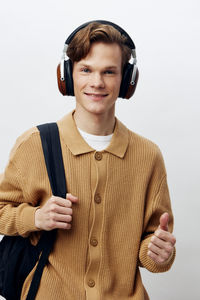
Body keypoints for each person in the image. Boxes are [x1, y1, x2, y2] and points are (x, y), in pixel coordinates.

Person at [0, 20, 176, 300]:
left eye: (109, 72)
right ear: (68, 75)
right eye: (86, 70)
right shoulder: (33, 144)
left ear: (127, 79)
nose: (97, 82)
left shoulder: (148, 155)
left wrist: (160, 254)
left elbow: (151, 253)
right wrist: (35, 217)